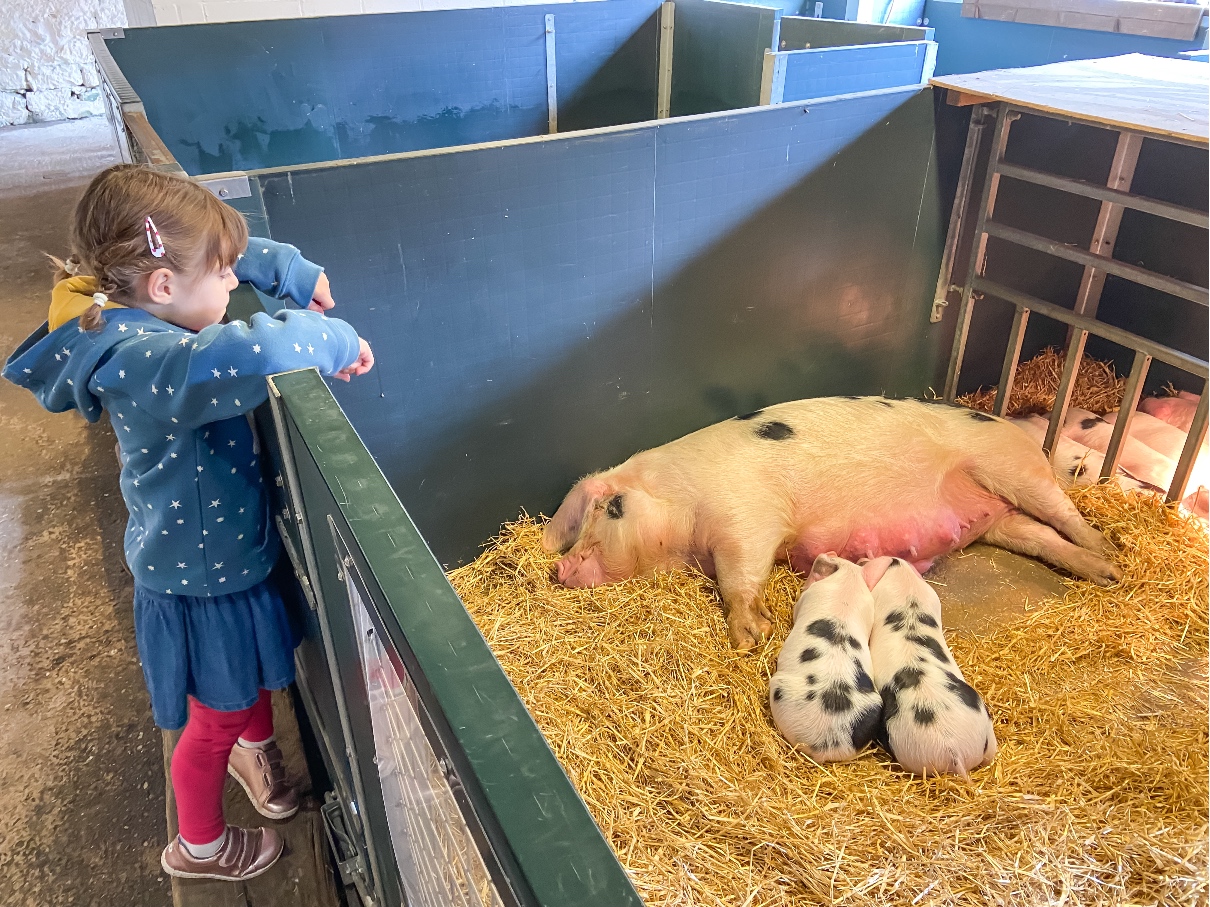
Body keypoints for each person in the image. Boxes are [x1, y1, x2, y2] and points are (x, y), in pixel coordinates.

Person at [3, 164, 375, 882]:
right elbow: (251, 349)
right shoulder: (151, 361)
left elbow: (210, 262)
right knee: (211, 724)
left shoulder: (135, 297)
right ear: (165, 287)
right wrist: (333, 340)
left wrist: (285, 269)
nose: (235, 285)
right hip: (201, 581)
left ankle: (256, 748)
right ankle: (198, 844)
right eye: (226, 273)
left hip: (227, 552)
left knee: (252, 686)